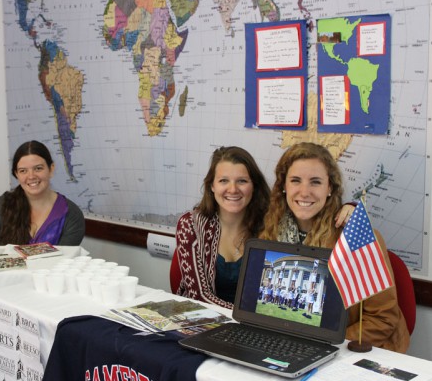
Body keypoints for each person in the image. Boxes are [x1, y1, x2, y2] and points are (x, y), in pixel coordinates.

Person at [259, 142, 409, 353]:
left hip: (351, 351)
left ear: (330, 188)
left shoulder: (357, 237)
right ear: (283, 186)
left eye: (315, 182)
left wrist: (319, 342)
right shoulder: (270, 232)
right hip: (293, 346)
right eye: (295, 181)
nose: (304, 192)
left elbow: (383, 318)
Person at [175, 146, 270, 308]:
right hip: (202, 318)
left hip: (252, 327)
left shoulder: (270, 226)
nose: (233, 189)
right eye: (223, 180)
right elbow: (198, 296)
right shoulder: (190, 225)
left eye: (242, 181)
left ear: (254, 186)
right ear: (212, 186)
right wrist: (244, 315)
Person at [0, 140, 85, 246]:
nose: (31, 176)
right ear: (16, 174)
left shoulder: (71, 214)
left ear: (51, 169)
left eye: (38, 168)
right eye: (23, 171)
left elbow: (65, 260)